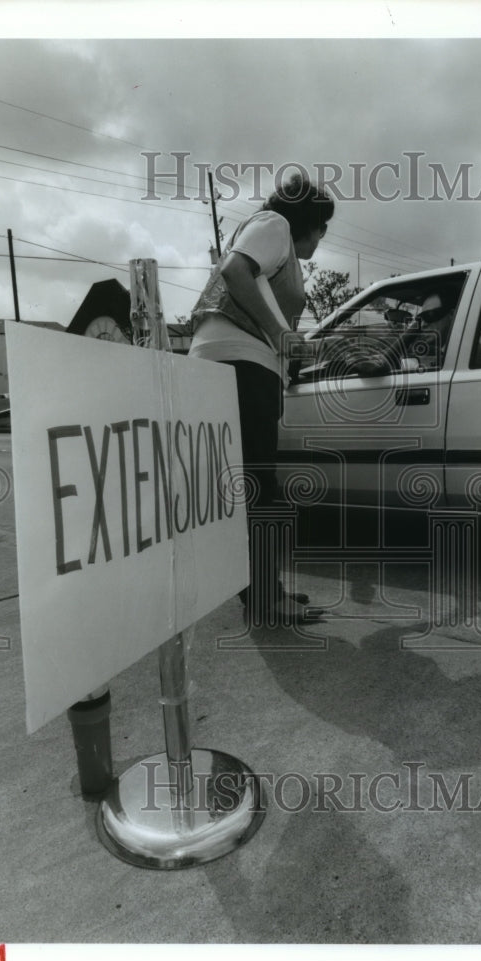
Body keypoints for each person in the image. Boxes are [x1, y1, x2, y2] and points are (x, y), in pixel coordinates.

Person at [188, 173, 334, 624]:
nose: (322, 237)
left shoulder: (274, 243)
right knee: (260, 487)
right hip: (241, 362)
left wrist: (290, 347)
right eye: (322, 226)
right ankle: (267, 600)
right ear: (308, 221)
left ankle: (261, 589)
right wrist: (282, 337)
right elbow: (234, 271)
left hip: (236, 360)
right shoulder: (274, 225)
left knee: (246, 487)